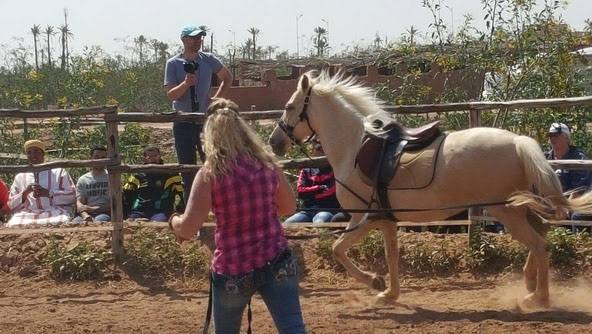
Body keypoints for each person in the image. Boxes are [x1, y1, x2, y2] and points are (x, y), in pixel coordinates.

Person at [169, 99, 306, 334]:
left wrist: (173, 222)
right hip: (276, 260)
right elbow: (289, 208)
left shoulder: (210, 174)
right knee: (293, 328)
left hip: (234, 267)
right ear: (244, 131)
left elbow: (189, 228)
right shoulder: (269, 165)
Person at [164, 24, 233, 205]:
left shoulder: (209, 59)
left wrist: (217, 99)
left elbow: (227, 77)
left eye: (200, 38)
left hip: (205, 122)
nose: (197, 41)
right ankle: (191, 212)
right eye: (194, 37)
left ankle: (217, 208)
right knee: (188, 170)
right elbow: (171, 94)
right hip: (183, 122)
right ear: (183, 39)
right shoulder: (173, 63)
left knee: (213, 166)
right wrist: (186, 84)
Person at [6, 140, 76, 227]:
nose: (32, 155)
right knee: (14, 224)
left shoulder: (58, 172)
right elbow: (11, 205)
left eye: (36, 151)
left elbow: (72, 196)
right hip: (28, 214)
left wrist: (49, 193)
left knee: (61, 221)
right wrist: (25, 192)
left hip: (54, 212)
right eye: (29, 153)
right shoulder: (20, 176)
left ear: (43, 154)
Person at [544, 122, 592, 233]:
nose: (552, 138)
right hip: (552, 203)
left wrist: (566, 207)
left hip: (575, 202)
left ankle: (577, 246)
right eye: (550, 136)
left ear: (566, 138)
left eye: (556, 135)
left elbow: (578, 189)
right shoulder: (545, 157)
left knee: (577, 216)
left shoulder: (578, 158)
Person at [123, 145, 184, 222]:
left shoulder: (171, 174)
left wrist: (180, 209)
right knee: (130, 223)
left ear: (160, 156)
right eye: (149, 157)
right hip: (139, 211)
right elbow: (126, 193)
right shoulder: (137, 175)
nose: (153, 159)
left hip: (160, 212)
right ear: (144, 158)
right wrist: (127, 211)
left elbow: (182, 194)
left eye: (155, 156)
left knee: (158, 225)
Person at [284, 141, 340, 224]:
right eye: (318, 149)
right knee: (286, 224)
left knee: (319, 223)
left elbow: (332, 192)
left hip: (328, 209)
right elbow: (301, 191)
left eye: (325, 148)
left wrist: (311, 193)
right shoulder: (306, 170)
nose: (322, 151)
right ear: (314, 150)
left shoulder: (336, 169)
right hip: (307, 210)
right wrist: (320, 188)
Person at [72, 145, 111, 223]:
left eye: (103, 157)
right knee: (75, 223)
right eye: (96, 157)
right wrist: (85, 215)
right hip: (87, 212)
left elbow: (114, 203)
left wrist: (93, 208)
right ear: (90, 158)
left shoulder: (111, 178)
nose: (99, 160)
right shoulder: (83, 179)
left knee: (99, 221)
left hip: (105, 213)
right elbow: (79, 202)